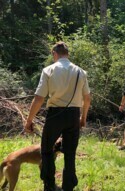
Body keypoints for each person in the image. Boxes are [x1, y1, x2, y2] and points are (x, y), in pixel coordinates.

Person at [24, 41, 91, 191]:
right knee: (70, 152)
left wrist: (29, 120)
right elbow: (87, 98)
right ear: (67, 54)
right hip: (74, 115)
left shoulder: (49, 70)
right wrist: (83, 117)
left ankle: (49, 185)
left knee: (47, 150)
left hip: (55, 115)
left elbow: (39, 98)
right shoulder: (81, 72)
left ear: (54, 53)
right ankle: (68, 186)